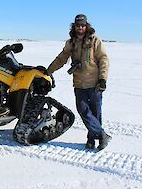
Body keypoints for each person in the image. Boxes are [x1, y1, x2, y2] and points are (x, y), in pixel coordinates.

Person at [47, 14, 111, 150]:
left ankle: (92, 140)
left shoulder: (94, 40)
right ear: (74, 26)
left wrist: (102, 79)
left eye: (82, 25)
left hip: (95, 84)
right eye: (77, 25)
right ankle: (101, 135)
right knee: (83, 110)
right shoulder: (71, 43)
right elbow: (61, 59)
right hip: (79, 84)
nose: (80, 28)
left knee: (95, 113)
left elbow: (103, 59)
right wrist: (48, 71)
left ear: (86, 25)